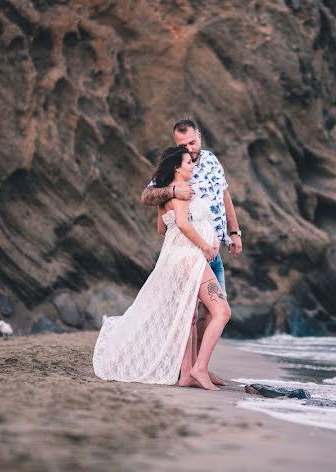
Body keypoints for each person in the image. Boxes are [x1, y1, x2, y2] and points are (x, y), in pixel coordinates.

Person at [92, 146, 231, 391]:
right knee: (222, 311)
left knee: (189, 317)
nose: (193, 165)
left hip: (178, 259)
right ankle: (199, 368)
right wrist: (206, 247)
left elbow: (162, 228)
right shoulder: (181, 193)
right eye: (188, 162)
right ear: (176, 167)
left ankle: (187, 373)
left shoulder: (167, 195)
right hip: (190, 257)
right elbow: (182, 225)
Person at [140, 119, 242, 386]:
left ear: (200, 136)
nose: (190, 149)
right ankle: (193, 370)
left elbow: (224, 196)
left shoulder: (210, 161)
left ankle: (198, 369)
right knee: (200, 311)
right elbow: (147, 197)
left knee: (209, 313)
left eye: (193, 142)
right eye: (183, 145)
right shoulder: (178, 165)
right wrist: (173, 190)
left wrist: (234, 232)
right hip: (193, 252)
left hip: (214, 248)